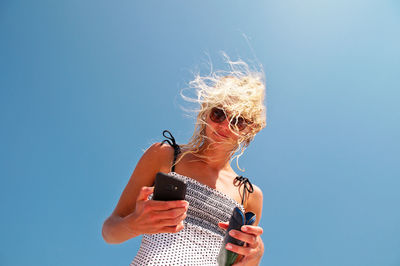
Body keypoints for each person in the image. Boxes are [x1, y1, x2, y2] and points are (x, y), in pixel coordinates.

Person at [102, 58, 267, 265]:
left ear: (249, 130)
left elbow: (237, 262)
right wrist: (135, 224)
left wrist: (254, 258)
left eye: (238, 120)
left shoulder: (250, 195)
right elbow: (110, 231)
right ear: (206, 113)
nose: (225, 125)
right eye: (219, 113)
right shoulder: (165, 155)